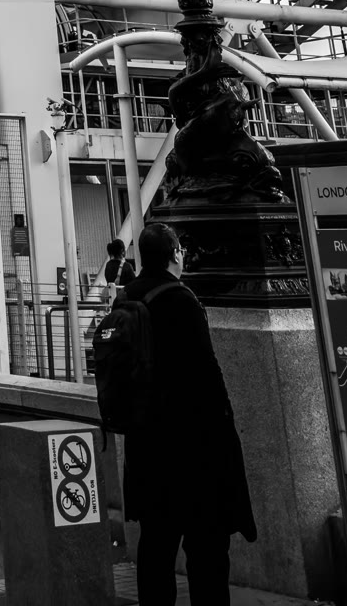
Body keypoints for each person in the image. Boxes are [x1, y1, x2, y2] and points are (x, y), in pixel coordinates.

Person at [122, 222, 255, 606]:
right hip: (192, 453)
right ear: (176, 254)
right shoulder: (181, 301)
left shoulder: (127, 299)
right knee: (207, 549)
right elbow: (207, 379)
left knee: (156, 548)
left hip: (145, 447)